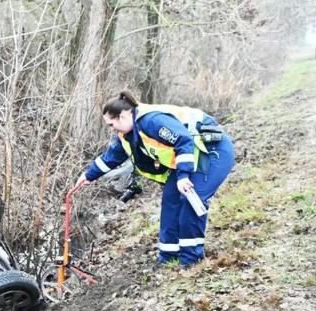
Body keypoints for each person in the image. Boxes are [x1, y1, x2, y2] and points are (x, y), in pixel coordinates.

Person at [76, 91, 235, 267]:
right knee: (171, 198)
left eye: (111, 124)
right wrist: (87, 176)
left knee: (191, 198)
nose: (112, 128)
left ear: (122, 116)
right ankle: (169, 256)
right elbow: (111, 157)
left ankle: (191, 260)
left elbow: (183, 140)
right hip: (191, 156)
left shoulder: (152, 122)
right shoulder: (127, 134)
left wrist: (183, 177)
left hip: (212, 150)